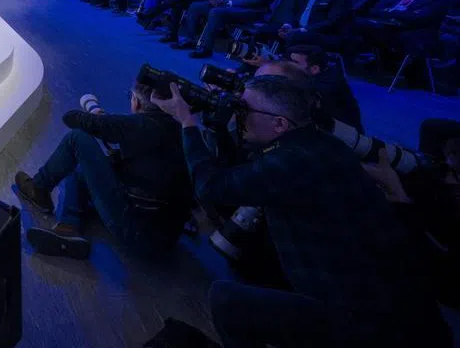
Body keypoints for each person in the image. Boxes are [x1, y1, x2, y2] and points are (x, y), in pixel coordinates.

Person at [153, 76, 451, 347]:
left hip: (367, 325)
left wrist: (186, 123)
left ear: (280, 124)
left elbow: (212, 187)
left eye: (243, 110)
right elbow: (248, 168)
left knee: (225, 298)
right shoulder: (321, 144)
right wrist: (218, 122)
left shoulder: (292, 163)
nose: (236, 114)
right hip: (393, 300)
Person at [12, 80, 193, 260]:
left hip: (140, 235)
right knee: (83, 168)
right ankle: (68, 226)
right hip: (167, 236)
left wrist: (100, 119)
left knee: (77, 139)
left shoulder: (138, 126)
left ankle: (38, 188)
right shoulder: (178, 128)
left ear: (136, 102)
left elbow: (70, 118)